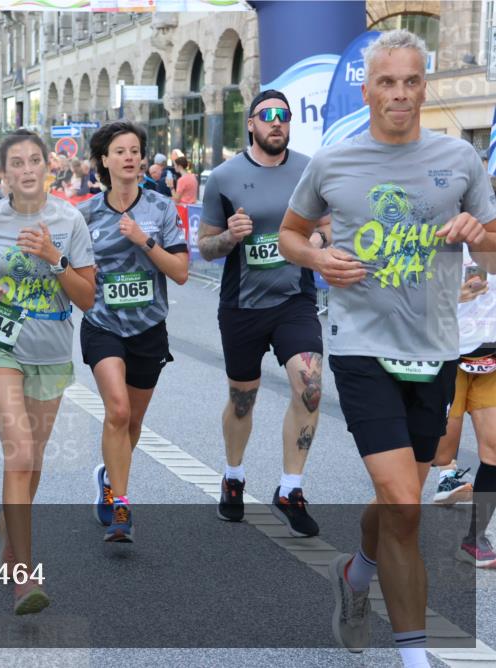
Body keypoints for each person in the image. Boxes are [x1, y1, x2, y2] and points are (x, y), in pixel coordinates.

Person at [278, 30, 496, 667]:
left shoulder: (459, 159)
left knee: (399, 500)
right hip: (361, 346)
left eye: (410, 82)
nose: (399, 94)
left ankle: (356, 572)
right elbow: (292, 234)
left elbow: (492, 246)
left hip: (435, 350)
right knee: (404, 504)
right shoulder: (334, 162)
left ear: (423, 86)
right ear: (367, 88)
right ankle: (415, 657)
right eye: (387, 82)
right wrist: (319, 258)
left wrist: (476, 232)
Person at [0, 129, 96, 614]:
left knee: (32, 461)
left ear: (49, 167)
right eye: (17, 163)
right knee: (18, 454)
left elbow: (86, 297)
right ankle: (24, 577)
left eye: (35, 160)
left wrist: (53, 258)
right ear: (5, 174)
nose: (27, 169)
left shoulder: (70, 219)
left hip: (52, 349)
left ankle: (7, 528)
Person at [198, 89, 330, 537]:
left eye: (284, 116)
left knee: (310, 385)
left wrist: (317, 242)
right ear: (251, 124)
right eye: (267, 115)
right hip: (242, 304)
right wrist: (230, 238)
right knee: (243, 398)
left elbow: (328, 229)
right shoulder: (224, 176)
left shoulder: (309, 170)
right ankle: (233, 477)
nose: (277, 122)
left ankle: (290, 488)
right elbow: (205, 244)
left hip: (294, 300)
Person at [80, 121, 189, 542]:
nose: (129, 157)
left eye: (135, 150)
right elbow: (72, 272)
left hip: (148, 327)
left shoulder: (160, 208)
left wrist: (144, 241)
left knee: (134, 420)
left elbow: (180, 272)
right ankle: (121, 505)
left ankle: (109, 473)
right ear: (104, 161)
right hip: (103, 324)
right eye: (119, 151)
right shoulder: (85, 214)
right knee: (119, 411)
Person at [430, 250, 495, 566]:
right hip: (448, 355)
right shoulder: (445, 234)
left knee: (495, 449)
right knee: (437, 454)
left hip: (491, 358)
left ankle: (474, 538)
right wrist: (453, 295)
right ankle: (383, 537)